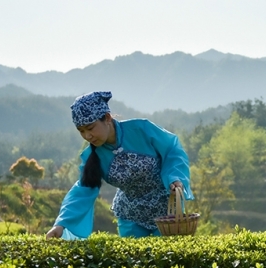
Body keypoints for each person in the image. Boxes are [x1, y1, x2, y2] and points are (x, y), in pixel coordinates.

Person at [45, 91, 193, 239]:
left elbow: (172, 150)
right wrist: (61, 224)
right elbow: (83, 190)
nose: (87, 136)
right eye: (81, 131)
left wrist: (174, 177)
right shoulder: (93, 156)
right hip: (130, 217)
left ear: (107, 118)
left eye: (90, 128)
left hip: (166, 213)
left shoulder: (141, 130)